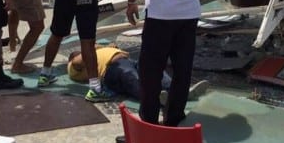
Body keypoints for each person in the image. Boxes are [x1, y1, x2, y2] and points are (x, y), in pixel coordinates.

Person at [67, 46, 208, 103]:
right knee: (131, 77)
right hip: (112, 69)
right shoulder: (77, 63)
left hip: (127, 61)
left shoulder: (93, 53)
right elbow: (76, 62)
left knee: (153, 69)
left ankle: (177, 91)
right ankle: (154, 99)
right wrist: (89, 48)